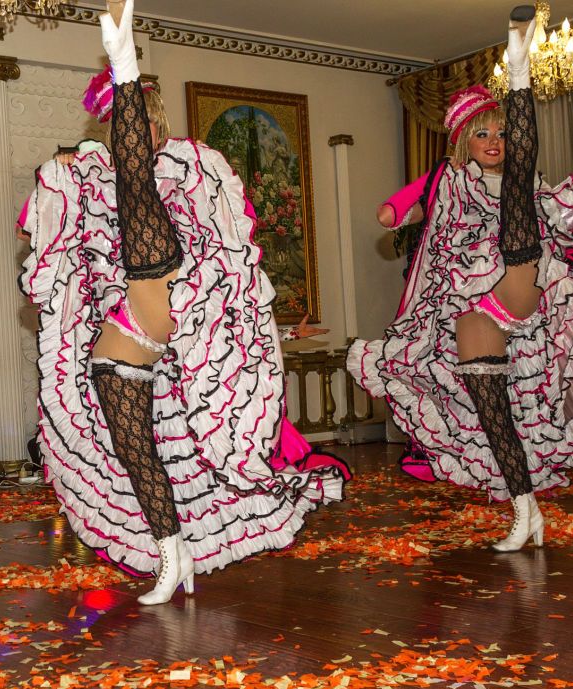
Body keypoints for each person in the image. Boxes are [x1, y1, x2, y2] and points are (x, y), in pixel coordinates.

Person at [19, 0, 346, 607]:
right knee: (137, 454)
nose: (131, 130)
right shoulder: (88, 174)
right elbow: (44, 237)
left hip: (184, 303)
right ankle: (173, 556)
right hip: (127, 331)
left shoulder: (194, 167)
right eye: (119, 118)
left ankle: (124, 62)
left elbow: (238, 249)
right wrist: (65, 173)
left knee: (140, 200)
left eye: (139, 117)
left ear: (156, 120)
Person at [350, 7, 573, 552]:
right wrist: (413, 202)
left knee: (519, 219)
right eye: (482, 134)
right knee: (492, 410)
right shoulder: (446, 182)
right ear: (463, 141)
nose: (494, 141)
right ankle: (525, 512)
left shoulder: (526, 183)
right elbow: (388, 215)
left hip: (518, 287)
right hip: (468, 309)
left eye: (501, 131)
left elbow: (553, 211)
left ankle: (519, 73)